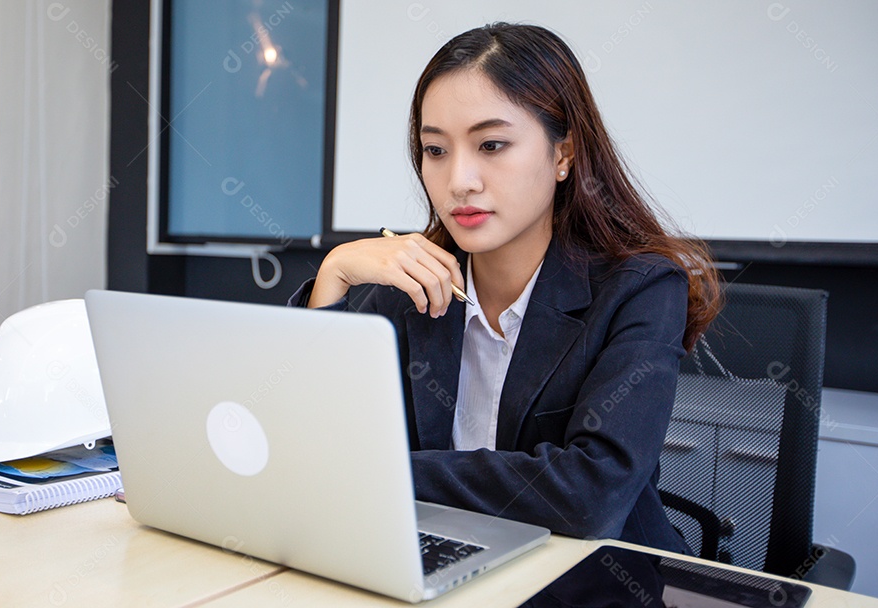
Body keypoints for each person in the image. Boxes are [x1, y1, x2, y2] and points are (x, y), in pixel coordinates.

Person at [289, 23, 721, 553]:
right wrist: (332, 277)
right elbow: (304, 447)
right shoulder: (413, 283)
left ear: (563, 155)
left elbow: (587, 495)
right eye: (435, 150)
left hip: (594, 581)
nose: (459, 181)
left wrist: (380, 473)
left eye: (491, 144)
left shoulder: (641, 288)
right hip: (436, 558)